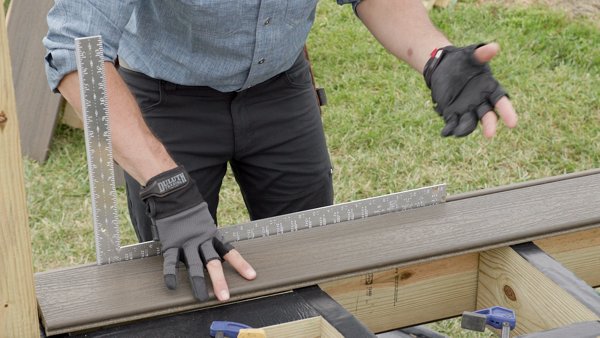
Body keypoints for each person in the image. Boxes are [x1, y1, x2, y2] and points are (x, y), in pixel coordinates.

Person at [44, 0, 517, 303]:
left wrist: (435, 56)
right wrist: (161, 179)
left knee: (311, 265)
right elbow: (72, 49)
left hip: (280, 89)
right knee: (183, 277)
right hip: (167, 99)